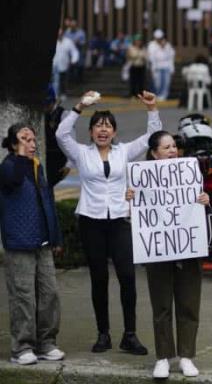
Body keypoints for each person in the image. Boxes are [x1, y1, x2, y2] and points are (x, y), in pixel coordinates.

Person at [55, 90, 160, 355]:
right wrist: (79, 106)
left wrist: (152, 109)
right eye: (98, 126)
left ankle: (130, 334)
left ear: (114, 132)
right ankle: (103, 333)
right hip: (91, 221)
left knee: (127, 276)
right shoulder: (81, 153)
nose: (103, 130)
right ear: (90, 132)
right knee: (98, 278)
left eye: (108, 126)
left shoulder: (123, 152)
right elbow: (61, 134)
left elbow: (151, 138)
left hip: (120, 221)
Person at [129, 131, 209, 379]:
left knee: (189, 303)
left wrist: (205, 200)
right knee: (161, 306)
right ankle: (163, 357)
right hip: (159, 251)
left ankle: (186, 356)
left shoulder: (190, 173)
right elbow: (137, 217)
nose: (173, 150)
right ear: (154, 153)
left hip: (188, 249)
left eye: (174, 146)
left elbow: (199, 209)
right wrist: (130, 200)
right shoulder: (141, 180)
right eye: (166, 147)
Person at [0, 124, 65, 365]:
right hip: (19, 243)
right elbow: (13, 179)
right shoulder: (9, 166)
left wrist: (56, 236)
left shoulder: (37, 166)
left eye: (33, 139)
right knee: (23, 297)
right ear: (13, 144)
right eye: (24, 139)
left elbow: (47, 201)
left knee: (50, 294)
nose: (32, 143)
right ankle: (22, 347)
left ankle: (46, 343)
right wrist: (19, 156)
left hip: (43, 241)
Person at [147, 29, 176, 100]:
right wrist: (152, 68)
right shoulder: (151, 45)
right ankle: (157, 95)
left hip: (166, 66)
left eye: (160, 38)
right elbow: (151, 57)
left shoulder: (167, 44)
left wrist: (172, 68)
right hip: (157, 66)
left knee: (166, 82)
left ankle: (164, 96)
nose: (159, 40)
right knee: (157, 83)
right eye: (157, 38)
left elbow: (171, 56)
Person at [52, 28, 79, 99]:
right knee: (55, 80)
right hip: (54, 64)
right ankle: (55, 94)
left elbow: (74, 51)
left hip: (64, 64)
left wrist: (74, 60)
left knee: (63, 80)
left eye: (60, 34)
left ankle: (63, 93)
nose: (59, 35)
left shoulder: (68, 42)